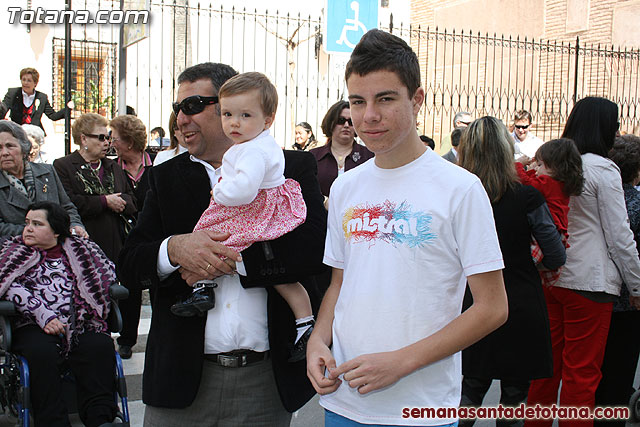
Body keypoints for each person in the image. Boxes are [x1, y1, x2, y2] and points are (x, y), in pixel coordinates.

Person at [306, 29, 508, 426]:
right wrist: (318, 338)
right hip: (343, 402)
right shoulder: (346, 186)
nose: (369, 116)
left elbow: (492, 307)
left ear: (417, 99)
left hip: (421, 408)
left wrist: (401, 362)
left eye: (385, 99)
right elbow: (339, 283)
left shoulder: (460, 188)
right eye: (358, 102)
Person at [116, 62, 327, 426]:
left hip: (263, 384)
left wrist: (233, 258)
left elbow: (314, 251)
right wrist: (175, 250)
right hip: (181, 384)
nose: (181, 118)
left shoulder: (290, 168)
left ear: (230, 102)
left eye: (194, 105)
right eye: (177, 108)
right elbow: (130, 264)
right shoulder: (164, 178)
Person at [172, 72, 314, 362]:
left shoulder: (252, 151)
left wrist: (220, 193)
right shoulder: (167, 175)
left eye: (245, 115)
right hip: (264, 208)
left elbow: (245, 190)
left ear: (268, 119)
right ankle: (305, 322)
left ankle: (202, 287)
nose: (234, 123)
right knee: (210, 241)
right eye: (228, 114)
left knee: (210, 234)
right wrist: (172, 249)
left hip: (254, 209)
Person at [526, 97, 640, 427]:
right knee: (581, 377)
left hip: (551, 277)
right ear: (606, 128)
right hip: (590, 284)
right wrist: (636, 284)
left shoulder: (552, 160)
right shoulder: (603, 169)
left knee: (545, 372)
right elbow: (620, 236)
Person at [457, 117, 566, 427]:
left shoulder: (458, 197)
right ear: (507, 151)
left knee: (469, 392)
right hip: (519, 300)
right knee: (514, 399)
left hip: (469, 301)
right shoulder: (528, 197)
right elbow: (556, 255)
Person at [0, 201, 118, 426]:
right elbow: (8, 286)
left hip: (81, 323)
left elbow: (107, 275)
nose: (28, 229)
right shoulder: (13, 251)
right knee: (41, 351)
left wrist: (85, 308)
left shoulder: (84, 249)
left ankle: (100, 418)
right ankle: (52, 421)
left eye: (37, 224)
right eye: (27, 223)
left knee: (98, 347)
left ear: (56, 230)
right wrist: (43, 313)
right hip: (32, 325)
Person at [594, 135, 640, 426]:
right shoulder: (635, 201)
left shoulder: (596, 192)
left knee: (595, 366)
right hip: (629, 298)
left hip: (598, 293)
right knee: (621, 369)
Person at [53, 113, 136, 262]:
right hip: (86, 243)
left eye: (108, 138)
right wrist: (105, 202)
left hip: (117, 244)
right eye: (101, 138)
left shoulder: (113, 166)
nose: (107, 143)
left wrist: (121, 201)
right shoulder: (63, 166)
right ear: (84, 138)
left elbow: (132, 198)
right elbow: (68, 202)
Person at [109, 114, 151, 360]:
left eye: (116, 138)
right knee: (130, 288)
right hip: (127, 238)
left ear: (130, 142)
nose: (112, 142)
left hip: (155, 235)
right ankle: (126, 340)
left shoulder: (156, 164)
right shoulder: (113, 168)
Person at [516, 138, 584, 287]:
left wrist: (518, 165)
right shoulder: (559, 183)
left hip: (549, 229)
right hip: (559, 230)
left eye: (540, 165)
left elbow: (527, 183)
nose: (537, 169)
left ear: (555, 167)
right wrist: (535, 167)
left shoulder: (549, 183)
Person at [0, 120, 86, 238]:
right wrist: (38, 231)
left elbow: (66, 207)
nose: (4, 153)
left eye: (10, 146)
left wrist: (75, 225)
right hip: (16, 249)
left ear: (23, 148)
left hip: (56, 247)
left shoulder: (47, 172)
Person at [310, 100, 374, 198]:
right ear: (331, 123)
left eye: (351, 122)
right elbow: (307, 191)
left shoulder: (369, 156)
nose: (346, 125)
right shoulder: (314, 156)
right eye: (340, 120)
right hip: (322, 212)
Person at [2, 67, 71, 134]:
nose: (25, 83)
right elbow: (3, 110)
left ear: (35, 83)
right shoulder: (13, 93)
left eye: (29, 80)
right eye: (23, 80)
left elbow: (53, 116)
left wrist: (68, 108)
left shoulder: (42, 97)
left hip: (34, 133)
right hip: (16, 132)